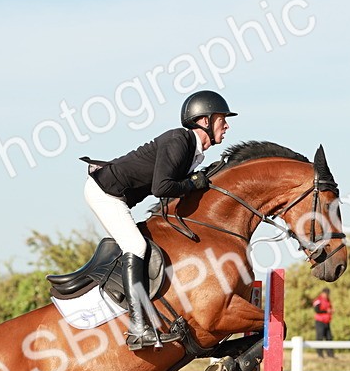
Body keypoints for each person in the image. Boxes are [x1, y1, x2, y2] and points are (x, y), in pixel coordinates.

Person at [83, 90, 237, 350]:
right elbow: (162, 187)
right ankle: (138, 327)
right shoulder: (180, 140)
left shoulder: (193, 151)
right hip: (104, 193)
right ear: (205, 121)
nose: (227, 125)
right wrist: (192, 182)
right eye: (222, 119)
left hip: (117, 195)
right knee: (137, 247)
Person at [313, 289, 334, 357]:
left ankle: (330, 354)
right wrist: (326, 311)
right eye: (326, 294)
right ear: (322, 293)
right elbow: (317, 310)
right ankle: (320, 354)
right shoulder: (318, 300)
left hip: (327, 322)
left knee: (329, 338)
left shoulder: (328, 301)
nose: (326, 295)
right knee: (320, 337)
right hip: (320, 322)